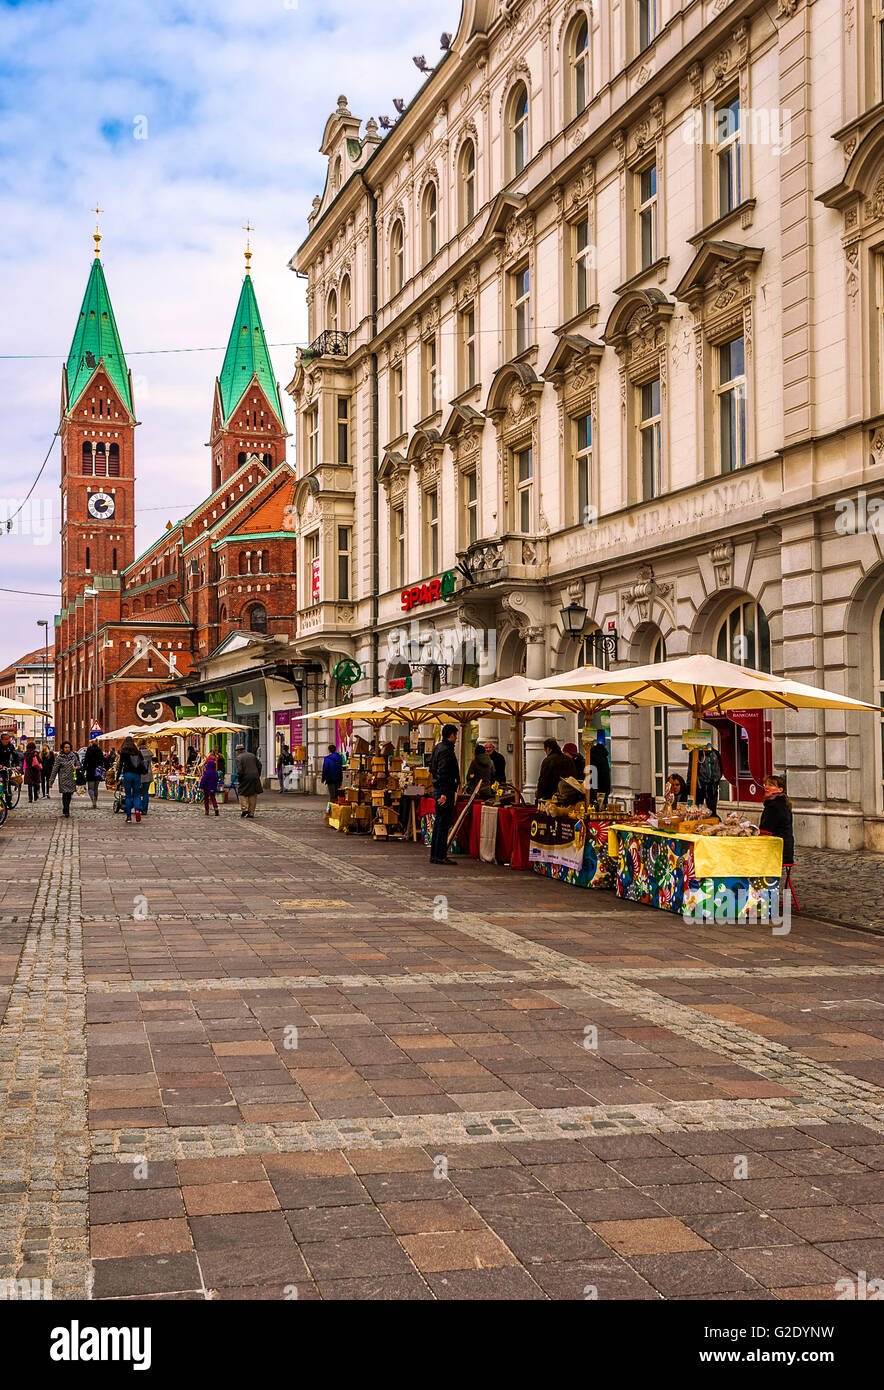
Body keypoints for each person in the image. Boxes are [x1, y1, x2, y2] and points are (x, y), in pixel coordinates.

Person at [429, 723, 460, 865]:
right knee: (443, 824)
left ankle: (435, 855)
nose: (456, 738)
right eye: (455, 735)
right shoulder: (447, 750)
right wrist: (443, 793)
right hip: (445, 790)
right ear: (451, 735)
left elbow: (432, 769)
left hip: (439, 789)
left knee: (439, 823)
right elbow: (443, 772)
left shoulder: (437, 748)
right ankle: (440, 855)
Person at [759, 774, 794, 867]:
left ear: (780, 789)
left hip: (777, 851)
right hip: (785, 849)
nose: (766, 787)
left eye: (771, 785)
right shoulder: (781, 803)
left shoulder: (774, 806)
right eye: (765, 784)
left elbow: (765, 830)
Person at [116, 735, 145, 823]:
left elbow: (120, 765)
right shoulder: (137, 752)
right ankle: (137, 810)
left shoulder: (123, 752)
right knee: (136, 795)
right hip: (136, 775)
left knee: (128, 796)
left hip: (127, 774)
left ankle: (128, 817)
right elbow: (142, 761)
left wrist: (117, 777)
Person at [49, 741, 78, 817]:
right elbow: (55, 770)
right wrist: (51, 781)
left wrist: (77, 767)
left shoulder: (73, 756)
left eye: (68, 747)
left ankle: (66, 808)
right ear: (63, 748)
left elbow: (78, 765)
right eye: (65, 747)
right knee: (65, 794)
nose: (67, 749)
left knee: (69, 794)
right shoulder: (59, 757)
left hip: (72, 778)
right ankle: (66, 808)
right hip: (63, 779)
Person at [235, 743, 263, 818]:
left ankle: (244, 809)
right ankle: (251, 813)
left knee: (241, 793)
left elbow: (240, 770)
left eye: (236, 751)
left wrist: (239, 778)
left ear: (238, 751)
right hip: (255, 777)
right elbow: (260, 765)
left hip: (245, 777)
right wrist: (258, 774)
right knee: (253, 794)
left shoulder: (239, 758)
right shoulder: (252, 755)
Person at [696, 744, 723, 816]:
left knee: (712, 810)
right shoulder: (697, 754)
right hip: (700, 785)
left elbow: (719, 769)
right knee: (697, 810)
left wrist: (716, 782)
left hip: (712, 786)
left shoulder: (715, 754)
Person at [82, 739, 106, 809]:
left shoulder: (89, 751)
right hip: (98, 771)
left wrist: (84, 770)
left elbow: (85, 761)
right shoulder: (100, 751)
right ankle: (95, 799)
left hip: (90, 771)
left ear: (91, 744)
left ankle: (93, 800)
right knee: (96, 788)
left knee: (90, 788)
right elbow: (103, 761)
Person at [589, 739, 611, 808]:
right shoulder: (604, 757)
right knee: (603, 805)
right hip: (605, 786)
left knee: (596, 807)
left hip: (595, 787)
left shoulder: (592, 757)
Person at [137, 741, 154, 817]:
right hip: (148, 774)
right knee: (145, 793)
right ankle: (145, 809)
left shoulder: (138, 754)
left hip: (140, 775)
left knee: (137, 792)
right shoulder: (149, 753)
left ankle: (140, 806)